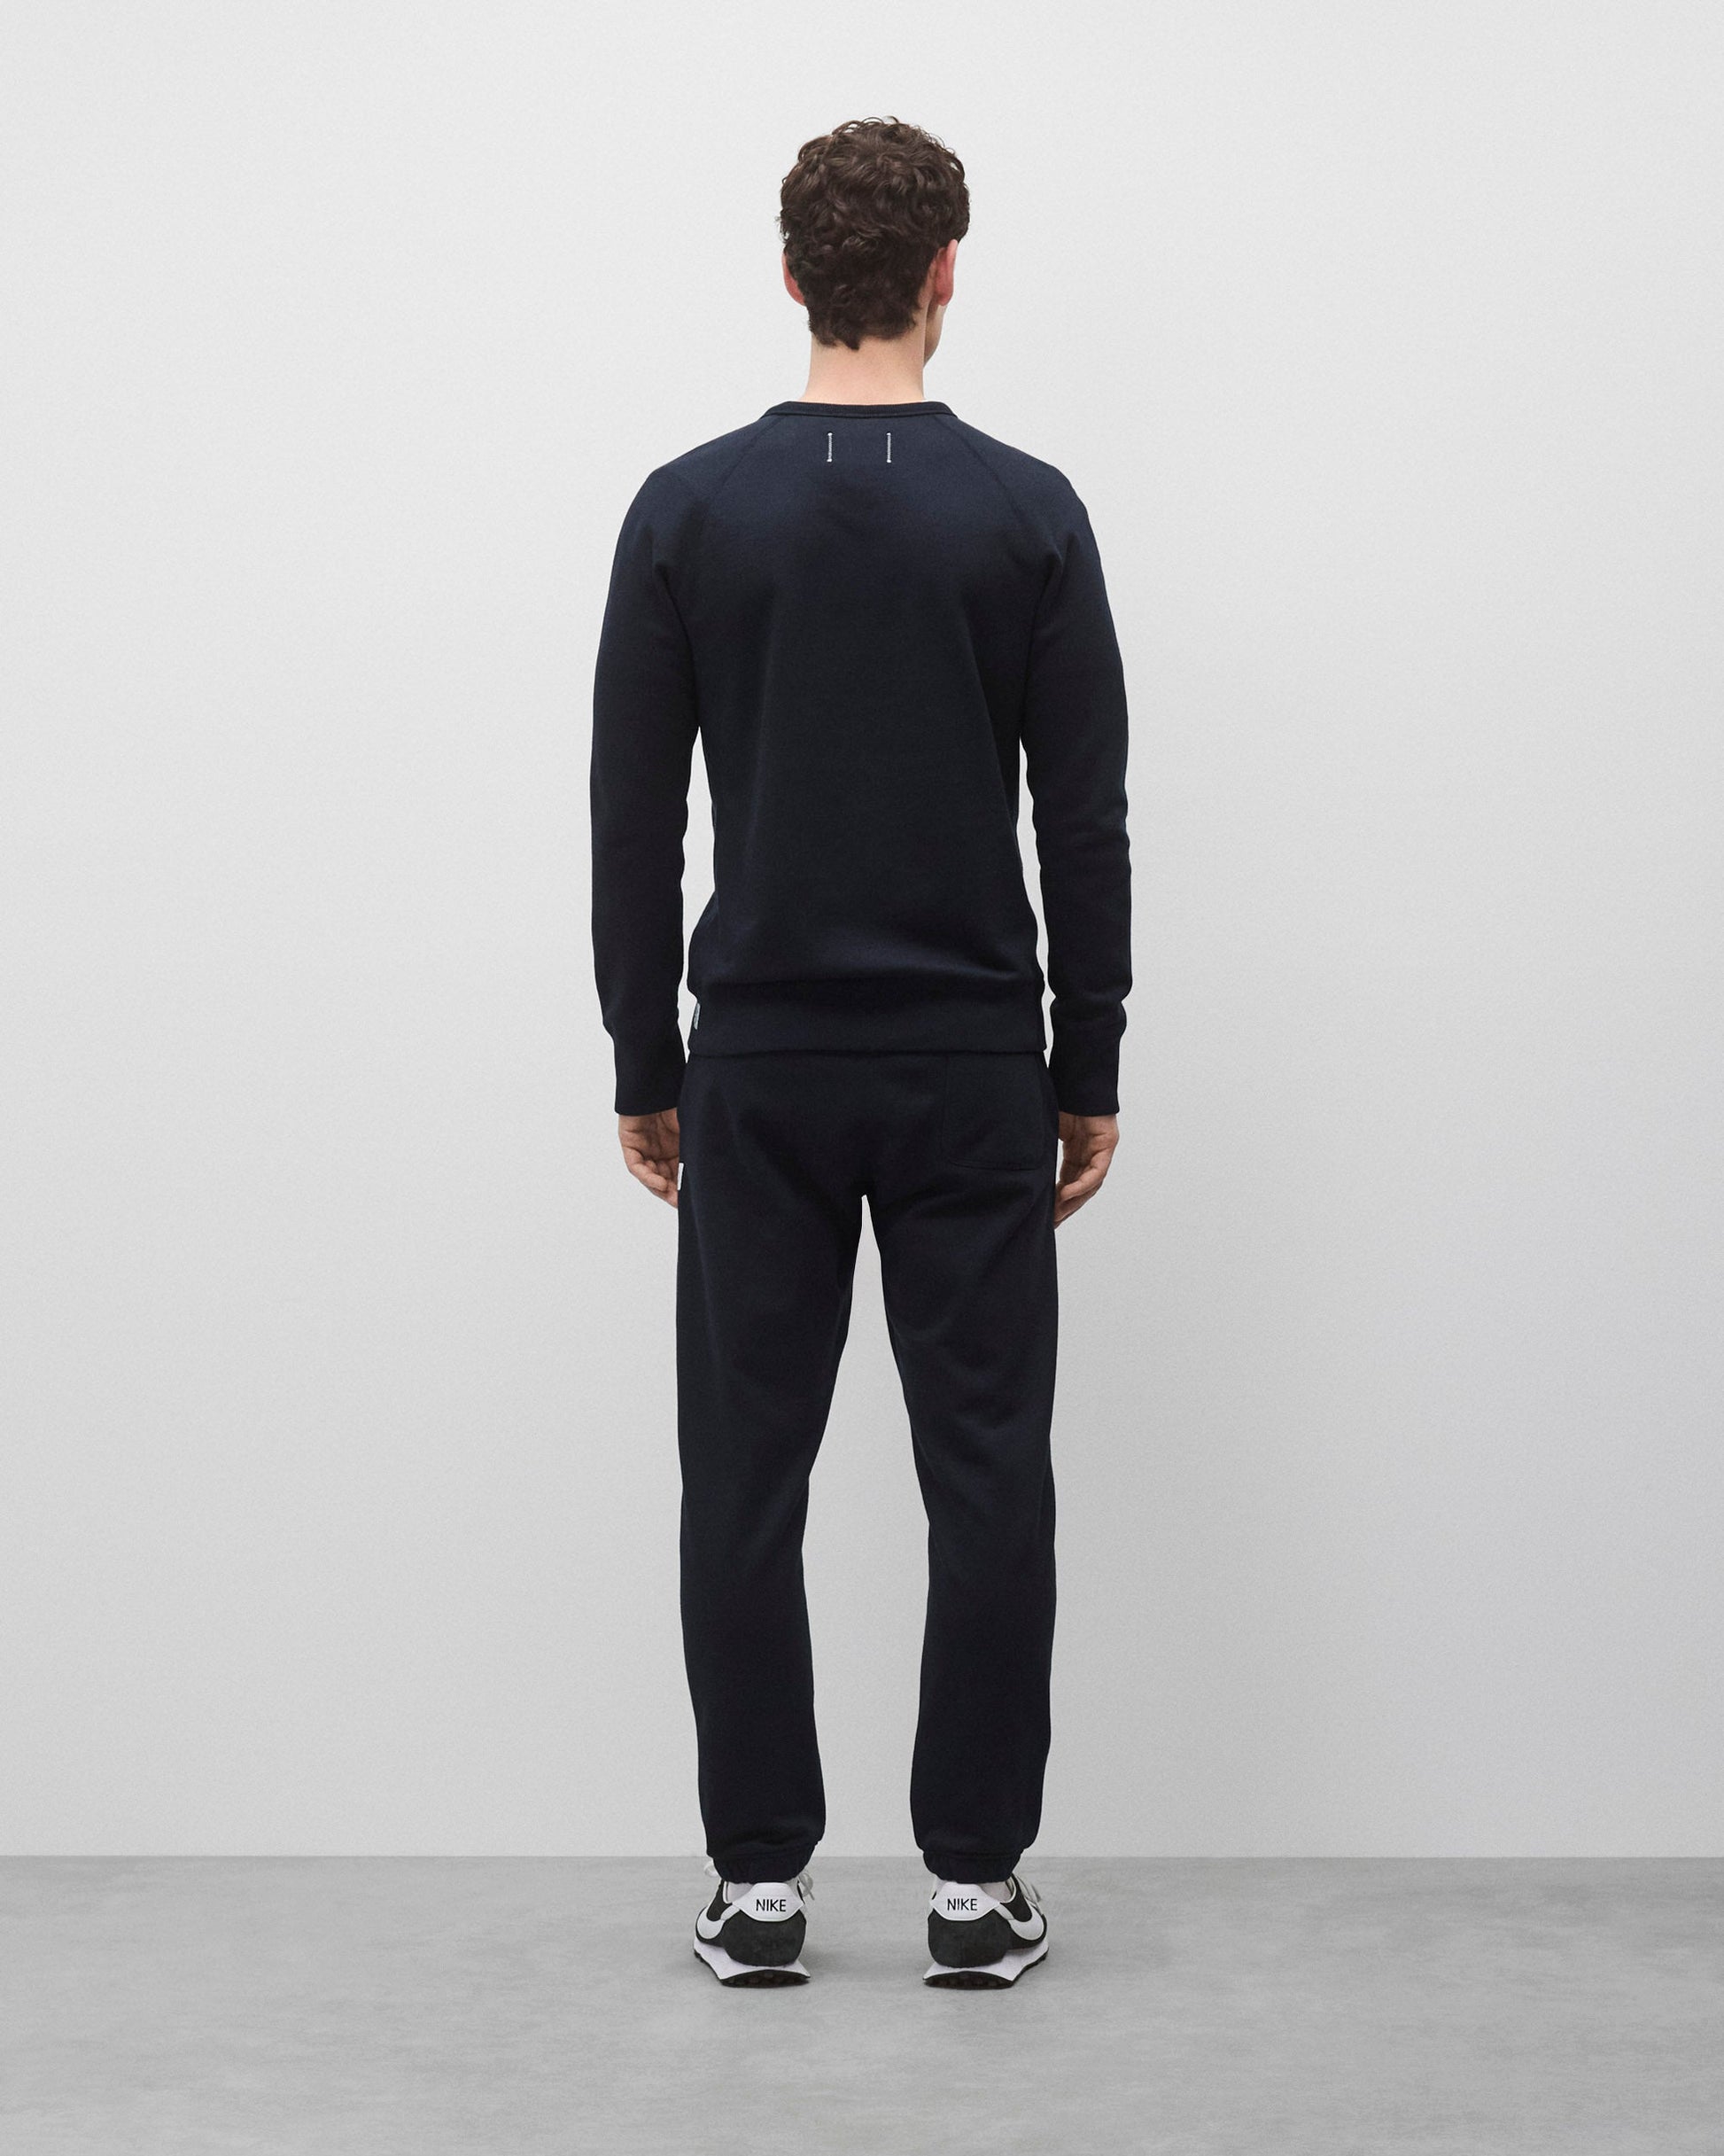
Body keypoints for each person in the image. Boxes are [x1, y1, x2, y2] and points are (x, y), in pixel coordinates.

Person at [590, 116, 1130, 1989]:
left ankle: (759, 1890)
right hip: (972, 1063)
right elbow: (1082, 820)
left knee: (744, 1474)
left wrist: (642, 1060)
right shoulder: (1026, 512)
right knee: (986, 1469)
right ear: (943, 273)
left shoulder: (688, 511)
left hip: (760, 1067)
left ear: (791, 275)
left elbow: (632, 817)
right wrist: (1087, 1063)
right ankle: (972, 1889)